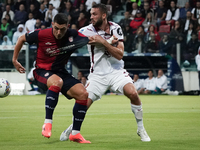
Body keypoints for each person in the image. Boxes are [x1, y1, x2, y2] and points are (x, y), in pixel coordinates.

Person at [60, 3, 151, 142]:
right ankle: (72, 128)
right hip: (97, 75)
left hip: (117, 72)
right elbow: (76, 42)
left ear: (103, 15)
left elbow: (120, 54)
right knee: (83, 103)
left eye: (94, 14)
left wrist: (103, 42)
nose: (91, 17)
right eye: (90, 14)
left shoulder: (116, 28)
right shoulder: (85, 30)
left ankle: (141, 129)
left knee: (133, 93)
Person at [12, 13, 91, 144]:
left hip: (60, 72)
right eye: (56, 28)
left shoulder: (73, 35)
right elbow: (21, 38)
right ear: (52, 25)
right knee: (57, 82)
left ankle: (75, 134)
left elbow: (91, 39)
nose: (59, 32)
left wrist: (109, 41)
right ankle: (47, 123)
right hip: (41, 72)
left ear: (68, 27)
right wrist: (15, 60)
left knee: (83, 94)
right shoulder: (41, 34)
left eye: (62, 29)